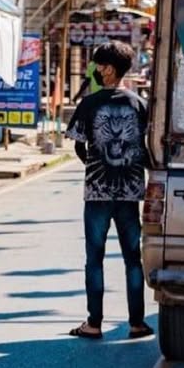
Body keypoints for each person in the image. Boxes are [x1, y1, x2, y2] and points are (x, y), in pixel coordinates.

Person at [65, 41, 153, 341]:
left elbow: (78, 144)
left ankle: (94, 322)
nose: (96, 70)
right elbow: (149, 146)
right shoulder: (139, 104)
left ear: (110, 69)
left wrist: (94, 165)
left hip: (98, 193)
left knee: (95, 259)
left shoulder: (90, 104)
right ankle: (137, 323)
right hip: (130, 194)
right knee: (132, 259)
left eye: (100, 65)